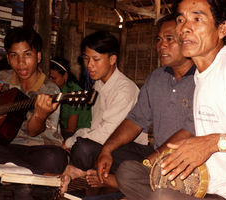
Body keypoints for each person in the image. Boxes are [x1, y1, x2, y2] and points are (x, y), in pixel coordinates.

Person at [147, 0, 226, 199]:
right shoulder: (201, 76)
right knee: (130, 173)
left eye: (197, 18)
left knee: (161, 196)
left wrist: (213, 142)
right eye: (180, 19)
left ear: (222, 29)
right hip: (206, 187)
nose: (184, 28)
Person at [95, 14, 196, 199]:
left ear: (186, 39)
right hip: (156, 160)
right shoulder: (156, 78)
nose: (161, 45)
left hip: (189, 165)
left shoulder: (202, 80)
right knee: (116, 164)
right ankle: (139, 187)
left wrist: (152, 160)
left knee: (154, 186)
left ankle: (137, 190)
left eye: (169, 39)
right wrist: (106, 150)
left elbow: (192, 130)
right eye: (158, 39)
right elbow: (135, 120)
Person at [60, 31, 148, 193]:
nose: (89, 65)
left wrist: (73, 140)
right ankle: (80, 179)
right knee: (71, 144)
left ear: (112, 59)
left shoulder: (124, 89)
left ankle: (80, 181)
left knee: (83, 147)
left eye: (96, 59)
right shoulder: (99, 85)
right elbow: (97, 128)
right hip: (107, 144)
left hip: (129, 150)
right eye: (86, 58)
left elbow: (108, 133)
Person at [0, 26, 68, 175]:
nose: (21, 62)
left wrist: (40, 116)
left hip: (38, 149)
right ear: (8, 58)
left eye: (27, 54)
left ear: (38, 57)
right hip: (5, 147)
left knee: (55, 158)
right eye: (14, 55)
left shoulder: (51, 90)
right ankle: (38, 175)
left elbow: (32, 132)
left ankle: (13, 172)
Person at [49, 57, 92, 139]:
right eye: (49, 78)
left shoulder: (74, 93)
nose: (50, 82)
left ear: (65, 76)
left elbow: (70, 130)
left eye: (54, 78)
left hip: (81, 135)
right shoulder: (52, 90)